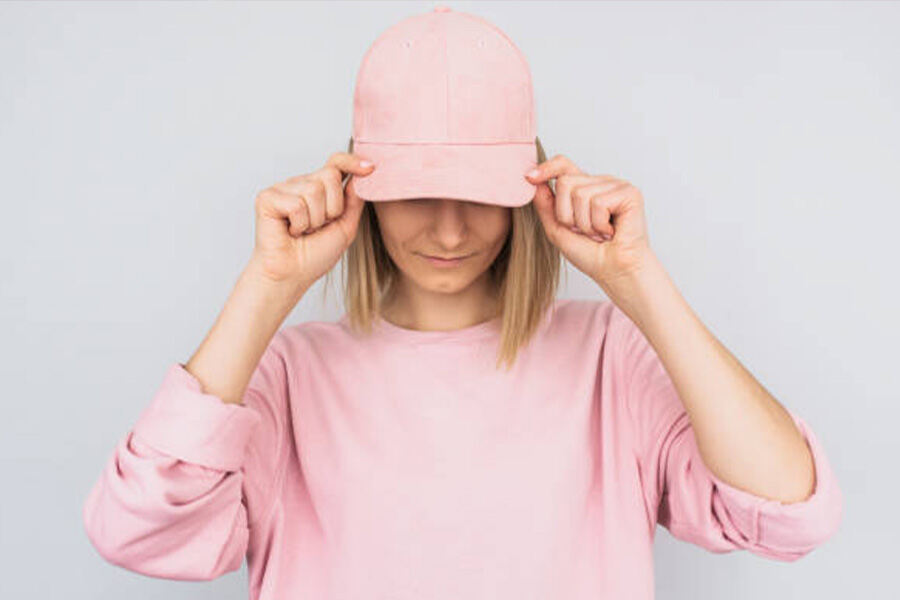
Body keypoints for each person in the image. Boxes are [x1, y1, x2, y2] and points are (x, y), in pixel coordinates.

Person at [81, 6, 843, 600]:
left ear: (527, 194)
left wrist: (639, 277)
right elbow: (136, 532)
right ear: (361, 191)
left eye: (478, 195)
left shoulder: (609, 358)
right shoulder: (285, 377)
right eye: (415, 194)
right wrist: (267, 285)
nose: (449, 228)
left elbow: (790, 508)